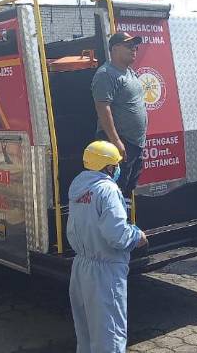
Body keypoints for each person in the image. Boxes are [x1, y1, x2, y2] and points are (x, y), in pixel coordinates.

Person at [67, 140, 147, 353]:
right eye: (116, 165)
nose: (118, 169)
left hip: (81, 267)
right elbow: (117, 235)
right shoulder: (107, 190)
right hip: (105, 272)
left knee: (86, 334)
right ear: (109, 167)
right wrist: (137, 236)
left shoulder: (78, 186)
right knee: (109, 337)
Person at [91, 32, 147, 203]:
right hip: (118, 144)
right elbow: (103, 107)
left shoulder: (130, 72)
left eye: (135, 46)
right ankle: (114, 220)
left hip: (134, 144)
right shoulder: (106, 74)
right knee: (114, 192)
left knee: (127, 193)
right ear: (115, 49)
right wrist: (116, 141)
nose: (134, 49)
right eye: (129, 46)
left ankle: (124, 219)